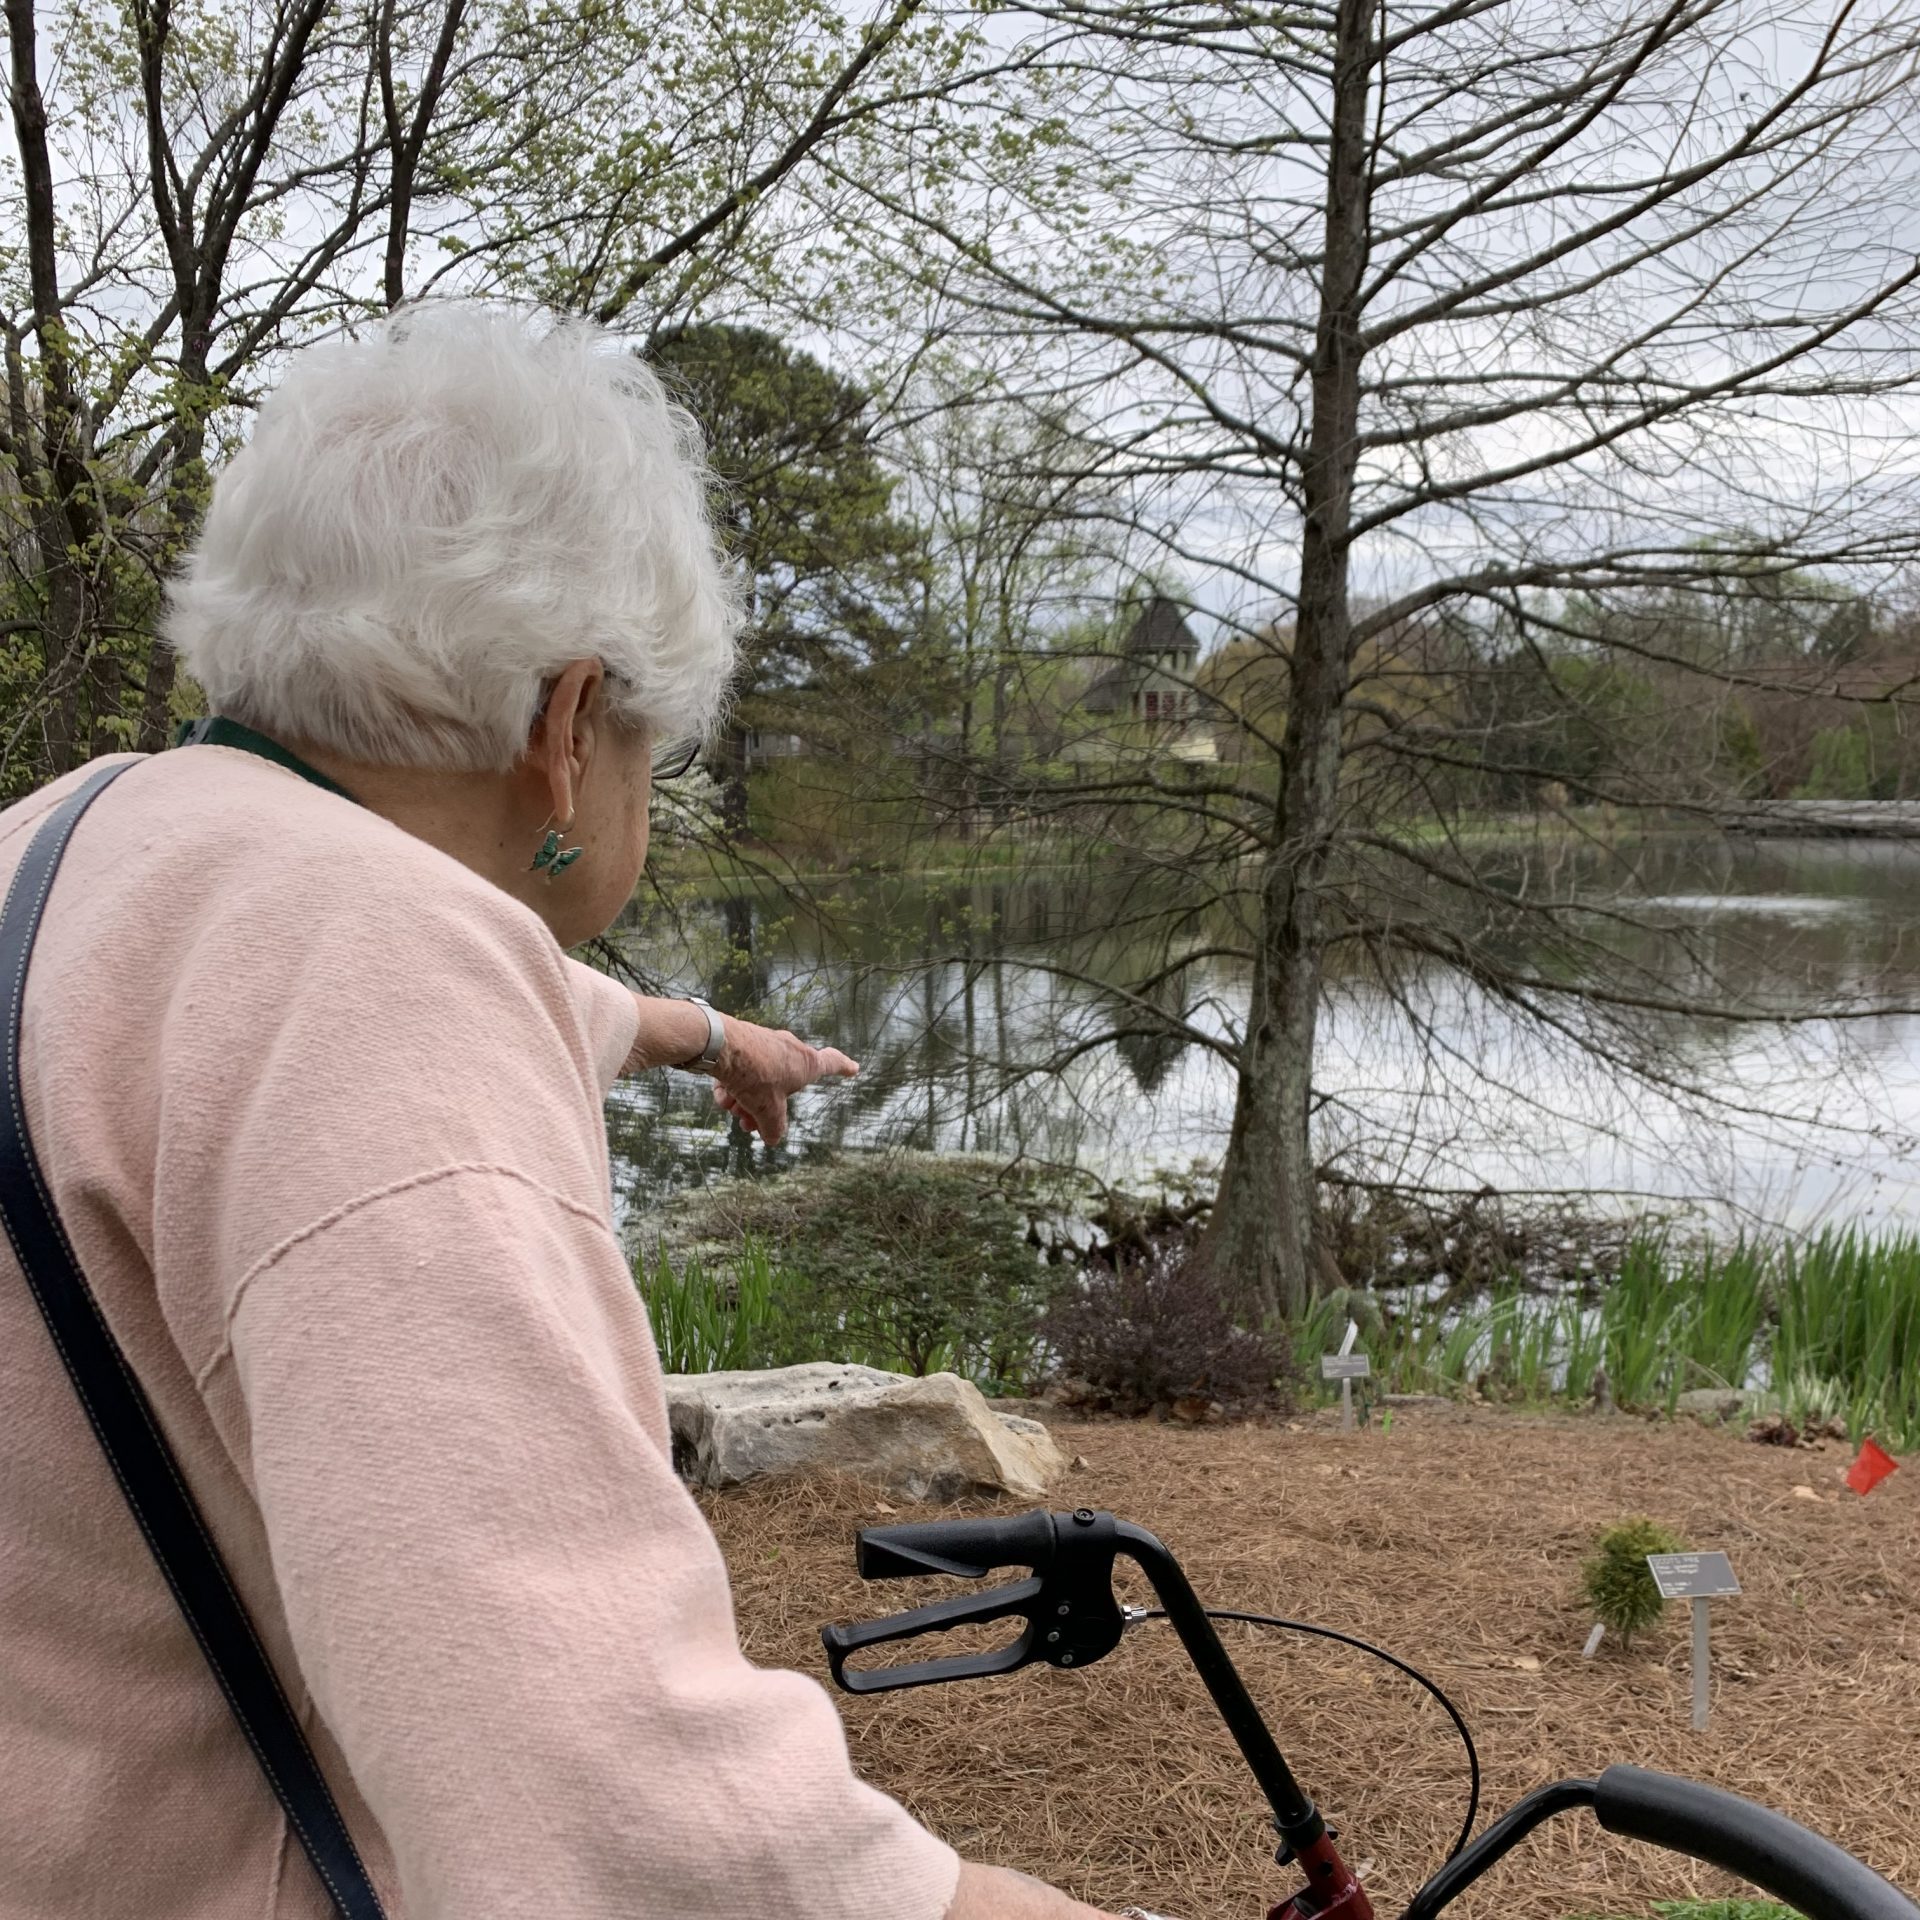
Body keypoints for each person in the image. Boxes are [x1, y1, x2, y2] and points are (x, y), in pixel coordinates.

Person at [0, 306, 1119, 1920]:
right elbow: (595, 1777)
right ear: (568, 725)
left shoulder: (83, 845)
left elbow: (335, 1044)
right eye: (650, 756)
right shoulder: (381, 969)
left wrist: (702, 1033)